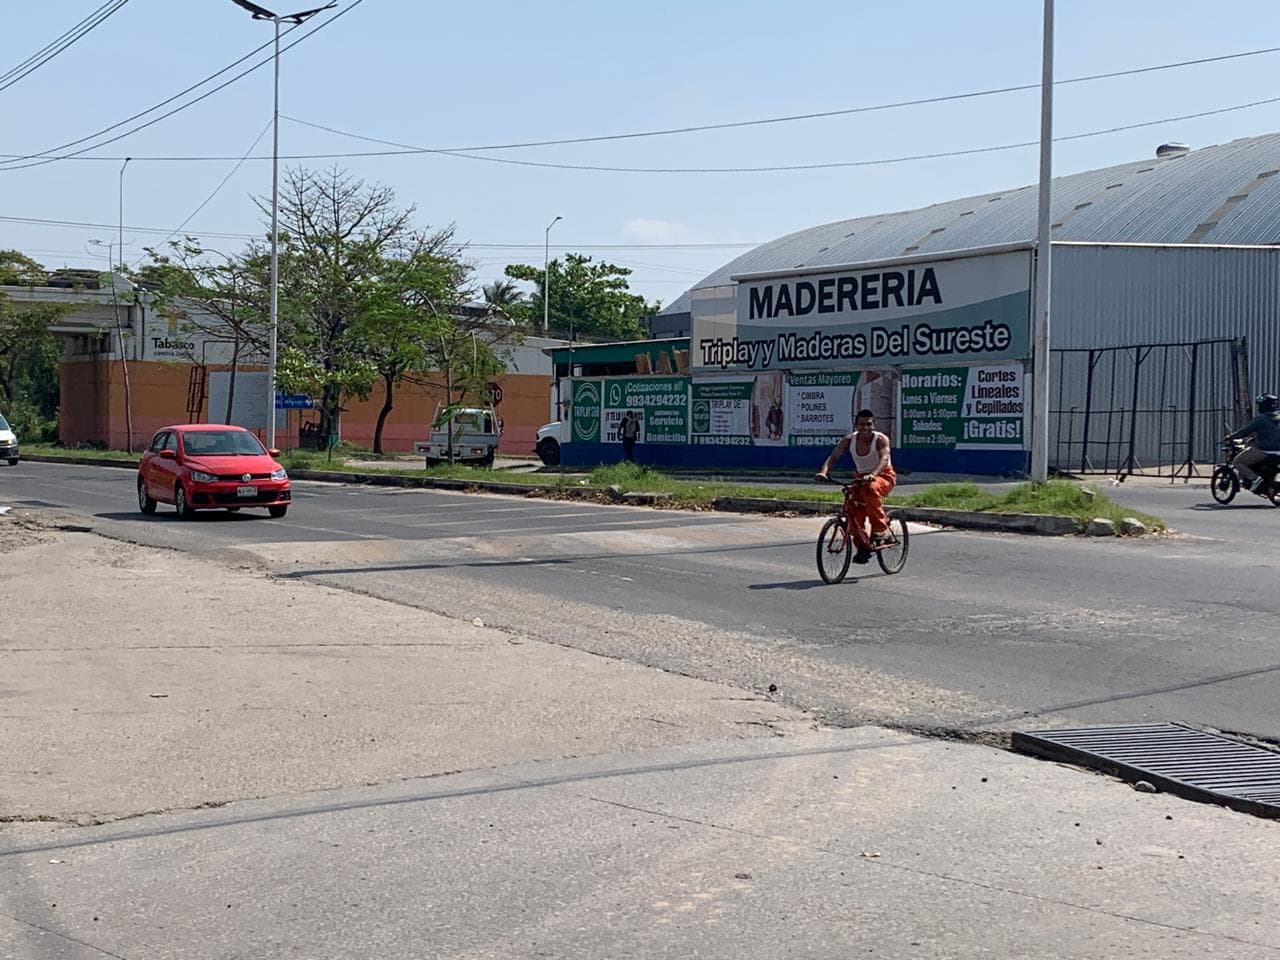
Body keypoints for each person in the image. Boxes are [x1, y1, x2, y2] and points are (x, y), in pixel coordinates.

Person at [815, 409, 896, 562]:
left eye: (869, 424)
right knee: (853, 511)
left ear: (874, 425)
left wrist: (873, 474)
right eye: (862, 424)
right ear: (855, 426)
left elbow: (884, 459)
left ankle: (880, 529)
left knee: (870, 488)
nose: (865, 428)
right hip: (860, 478)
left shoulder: (880, 439)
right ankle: (863, 547)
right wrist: (823, 472)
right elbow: (833, 457)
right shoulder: (848, 440)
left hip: (883, 475)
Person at [1226, 393, 1280, 491]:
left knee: (1237, 461)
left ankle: (1255, 479)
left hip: (1265, 451)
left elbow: (1244, 431)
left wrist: (1230, 437)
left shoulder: (1260, 419)